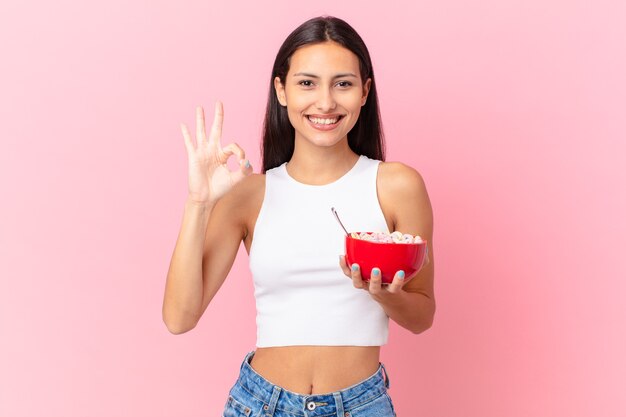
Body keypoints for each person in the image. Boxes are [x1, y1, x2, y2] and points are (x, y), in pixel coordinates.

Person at [162, 15, 435, 417]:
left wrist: (383, 295)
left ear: (364, 92)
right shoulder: (250, 193)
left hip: (361, 405)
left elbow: (422, 315)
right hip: (260, 403)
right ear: (281, 90)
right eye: (307, 83)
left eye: (343, 83)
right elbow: (179, 317)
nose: (325, 102)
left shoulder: (397, 186)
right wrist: (198, 203)